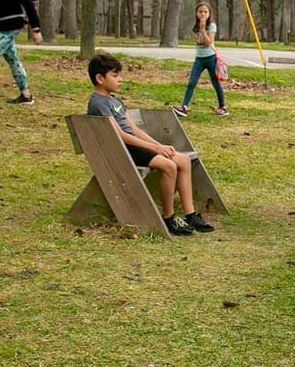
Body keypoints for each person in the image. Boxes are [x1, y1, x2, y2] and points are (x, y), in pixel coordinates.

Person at [86, 52, 215, 236]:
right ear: (99, 78)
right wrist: (155, 149)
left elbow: (134, 130)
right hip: (121, 150)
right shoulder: (98, 103)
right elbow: (120, 135)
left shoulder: (115, 100)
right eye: (115, 76)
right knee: (169, 166)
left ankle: (190, 215)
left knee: (183, 161)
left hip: (133, 146)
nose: (120, 80)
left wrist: (159, 145)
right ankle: (168, 217)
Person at [172, 2, 228, 117]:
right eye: (200, 11)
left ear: (209, 13)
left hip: (210, 58)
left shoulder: (211, 25)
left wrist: (203, 30)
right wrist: (200, 29)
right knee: (192, 82)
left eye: (205, 12)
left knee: (215, 83)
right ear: (196, 13)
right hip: (199, 59)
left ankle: (223, 107)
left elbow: (208, 43)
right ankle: (184, 107)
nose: (202, 14)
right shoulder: (196, 26)